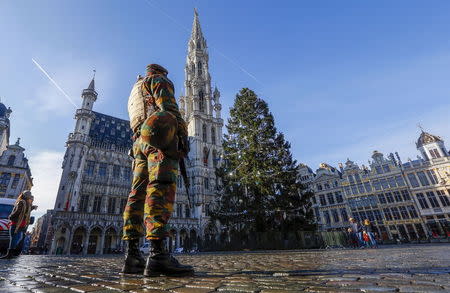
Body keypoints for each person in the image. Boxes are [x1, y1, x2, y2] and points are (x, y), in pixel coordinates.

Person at [122, 64, 193, 276]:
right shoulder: (158, 80)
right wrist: (181, 138)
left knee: (137, 194)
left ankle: (132, 256)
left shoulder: (134, 91)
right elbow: (170, 110)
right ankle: (158, 255)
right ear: (160, 72)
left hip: (138, 145)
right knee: (160, 186)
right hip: (158, 139)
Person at [1, 190, 37, 259]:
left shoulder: (21, 202)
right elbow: (27, 211)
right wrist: (33, 207)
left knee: (13, 238)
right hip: (22, 224)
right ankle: (12, 252)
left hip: (16, 223)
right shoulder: (28, 204)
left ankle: (9, 254)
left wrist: (10, 216)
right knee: (17, 237)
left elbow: (17, 212)